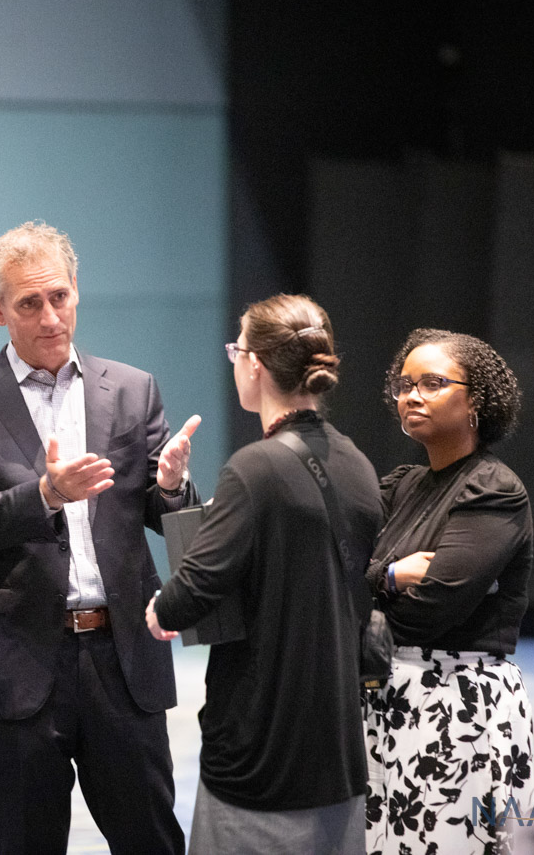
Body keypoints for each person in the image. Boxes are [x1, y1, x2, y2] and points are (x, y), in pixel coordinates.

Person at [0, 221, 200, 855]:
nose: (50, 317)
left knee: (152, 841)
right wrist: (47, 494)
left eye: (60, 296)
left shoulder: (132, 389)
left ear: (77, 289)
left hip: (121, 658)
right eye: (29, 303)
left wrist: (171, 486)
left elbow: (167, 515)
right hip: (18, 661)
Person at [146, 294, 381, 855]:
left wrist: (157, 609)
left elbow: (190, 594)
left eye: (236, 350)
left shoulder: (255, 468)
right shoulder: (357, 463)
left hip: (261, 749)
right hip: (337, 745)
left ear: (254, 363)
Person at [362, 328, 534, 855]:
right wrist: (391, 576)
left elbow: (429, 613)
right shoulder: (401, 485)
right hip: (385, 699)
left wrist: (360, 599)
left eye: (432, 383)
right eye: (405, 384)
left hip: (458, 709)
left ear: (475, 401)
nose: (412, 396)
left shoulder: (493, 489)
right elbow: (333, 572)